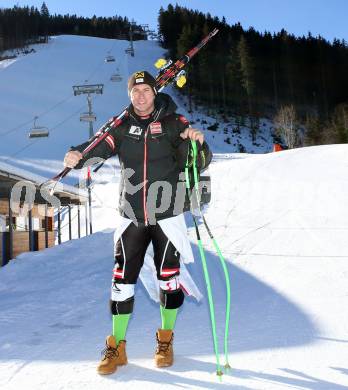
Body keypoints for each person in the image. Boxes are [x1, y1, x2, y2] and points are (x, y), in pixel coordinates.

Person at [64, 70, 212, 375]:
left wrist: (196, 144)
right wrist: (77, 154)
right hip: (131, 216)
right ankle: (116, 346)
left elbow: (198, 161)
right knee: (121, 283)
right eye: (136, 91)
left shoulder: (174, 122)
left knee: (168, 280)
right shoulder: (121, 126)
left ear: (155, 93)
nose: (141, 95)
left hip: (167, 216)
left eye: (146, 90)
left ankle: (165, 339)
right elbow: (98, 148)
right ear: (130, 95)